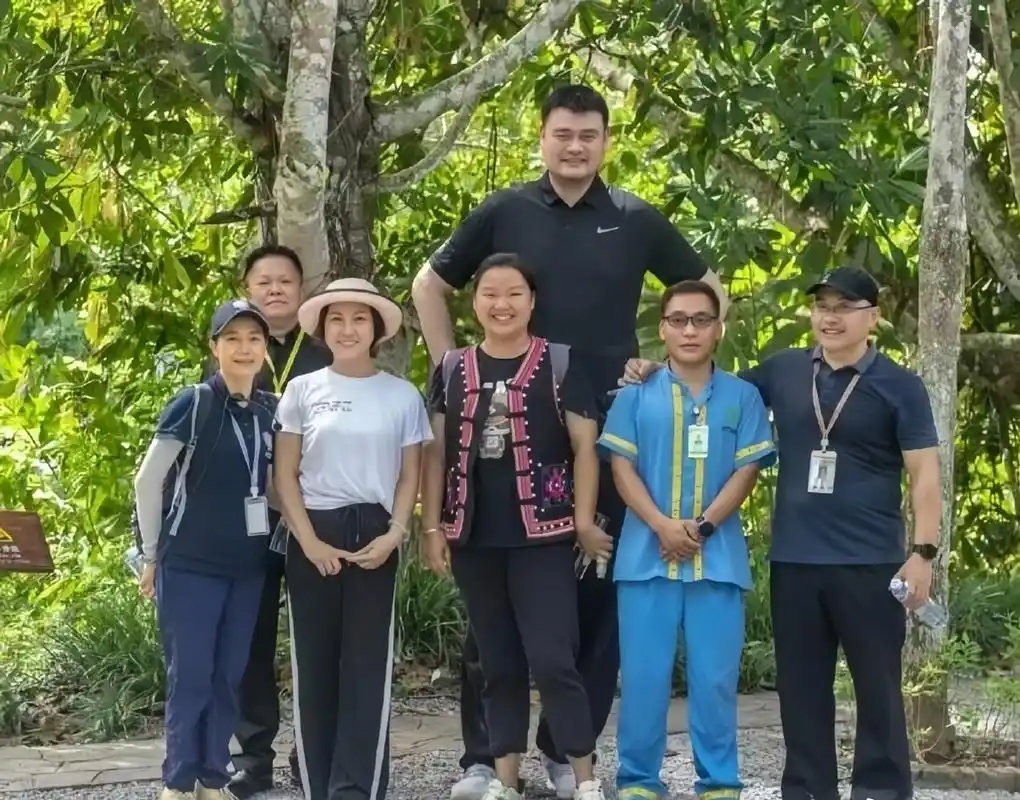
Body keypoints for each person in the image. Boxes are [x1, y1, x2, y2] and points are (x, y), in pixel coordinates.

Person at [411, 83, 727, 800]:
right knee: (491, 601)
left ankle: (563, 752)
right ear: (543, 136)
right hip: (508, 433)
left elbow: (707, 290)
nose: (575, 146)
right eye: (562, 133)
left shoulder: (636, 218)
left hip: (609, 433)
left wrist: (676, 360)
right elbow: (429, 285)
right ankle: (485, 759)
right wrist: (449, 374)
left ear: (606, 140)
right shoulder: (505, 210)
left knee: (595, 601)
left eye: (589, 134)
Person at [625, 266, 941, 800]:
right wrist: (659, 368)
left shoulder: (900, 386)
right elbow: (711, 389)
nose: (830, 317)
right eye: (822, 306)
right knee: (801, 690)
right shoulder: (784, 371)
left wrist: (923, 553)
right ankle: (808, 789)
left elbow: (925, 474)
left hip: (871, 560)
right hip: (795, 559)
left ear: (873, 318)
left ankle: (881, 790)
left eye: (845, 307)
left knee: (878, 689)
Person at [420, 255, 608, 800]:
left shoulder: (560, 363)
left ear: (532, 300)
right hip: (476, 537)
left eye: (514, 293)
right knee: (497, 662)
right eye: (490, 294)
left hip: (544, 539)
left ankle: (585, 776)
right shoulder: (452, 368)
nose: (501, 305)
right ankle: (504, 780)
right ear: (474, 303)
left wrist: (582, 521)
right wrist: (431, 528)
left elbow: (585, 449)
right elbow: (434, 455)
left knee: (553, 660)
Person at [598, 281, 775, 800]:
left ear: (719, 328)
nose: (690, 329)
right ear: (662, 329)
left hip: (715, 559)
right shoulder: (635, 394)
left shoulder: (743, 396)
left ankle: (719, 781)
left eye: (701, 319)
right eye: (678, 319)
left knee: (715, 679)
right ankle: (638, 780)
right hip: (644, 558)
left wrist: (700, 528)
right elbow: (620, 467)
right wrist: (661, 525)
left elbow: (747, 472)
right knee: (644, 678)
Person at [272, 278, 432, 800]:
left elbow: (410, 475)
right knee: (315, 664)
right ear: (322, 328)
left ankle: (357, 788)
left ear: (376, 329)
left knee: (367, 664)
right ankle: (320, 786)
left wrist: (396, 534)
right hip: (312, 530)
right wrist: (309, 540)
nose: (347, 329)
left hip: (375, 535)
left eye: (359, 319)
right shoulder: (302, 390)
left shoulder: (401, 394)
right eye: (336, 319)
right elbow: (284, 475)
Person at [133, 300, 279, 800]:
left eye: (254, 339)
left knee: (228, 677)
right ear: (214, 347)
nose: (244, 348)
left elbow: (277, 488)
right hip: (190, 566)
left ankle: (213, 779)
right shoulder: (193, 403)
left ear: (265, 349)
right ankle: (177, 782)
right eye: (232, 338)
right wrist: (150, 555)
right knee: (191, 675)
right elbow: (147, 482)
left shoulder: (270, 411)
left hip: (248, 567)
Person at [227, 245, 331, 800]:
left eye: (285, 281)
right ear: (247, 289)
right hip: (249, 518)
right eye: (262, 282)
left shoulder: (326, 351)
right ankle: (252, 757)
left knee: (315, 638)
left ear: (301, 288)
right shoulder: (233, 351)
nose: (274, 290)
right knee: (251, 637)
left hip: (316, 514)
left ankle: (314, 750)